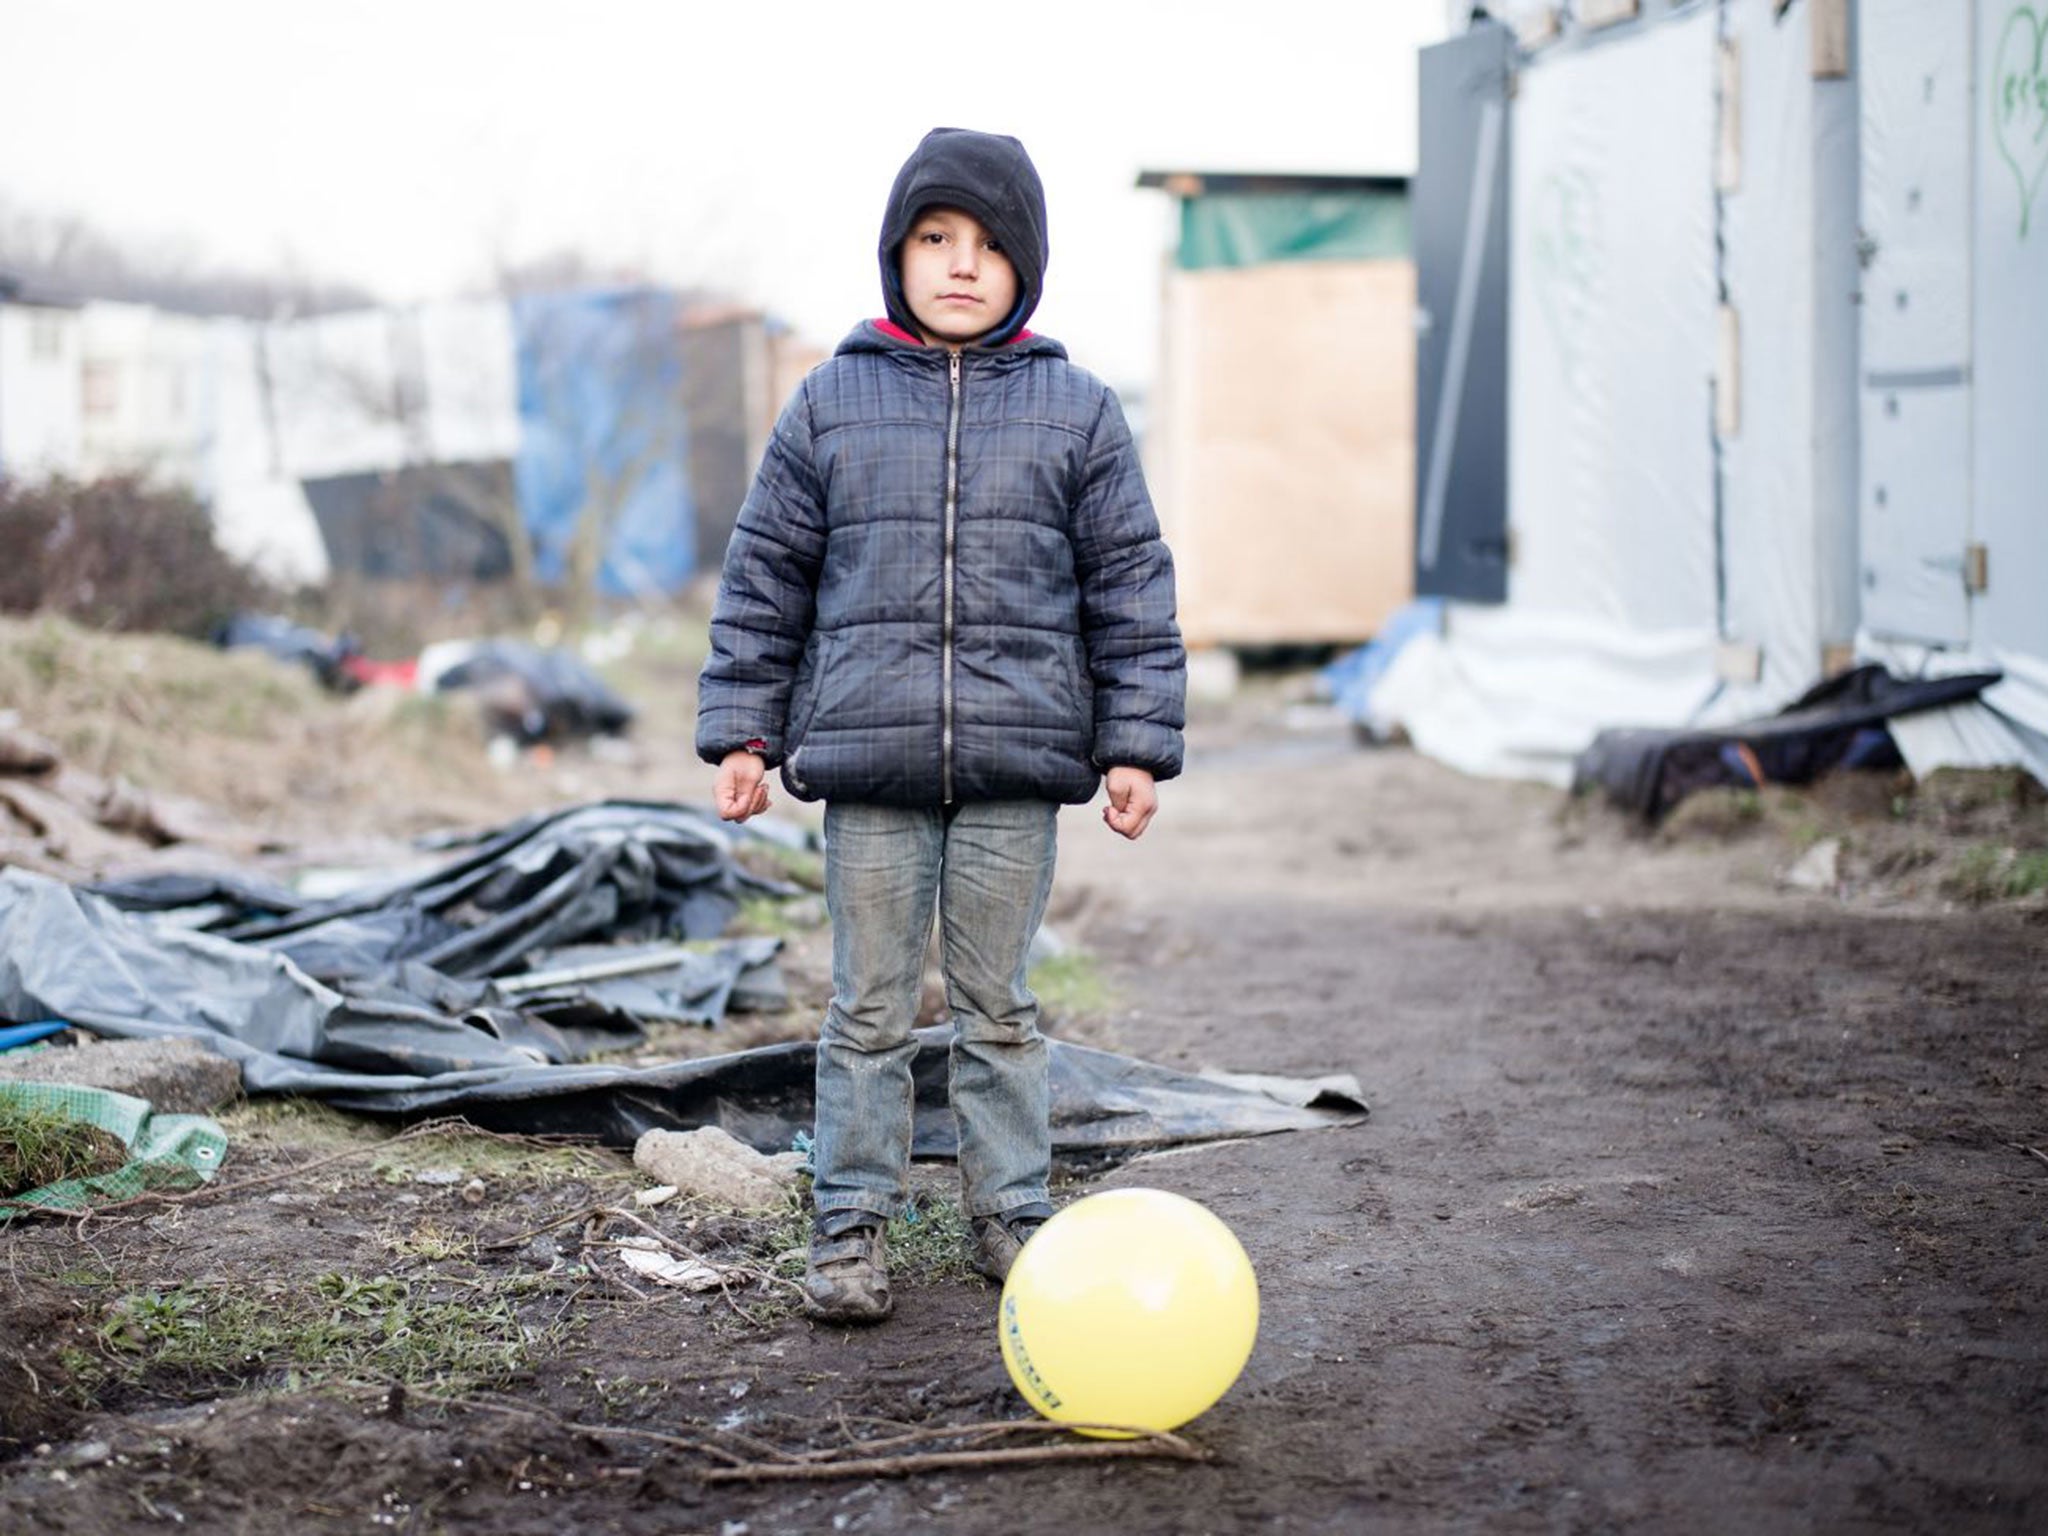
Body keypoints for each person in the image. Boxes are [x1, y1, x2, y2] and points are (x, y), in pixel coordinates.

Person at [696, 126, 1186, 1324]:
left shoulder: (1076, 412)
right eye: (934, 240)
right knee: (867, 1007)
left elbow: (1129, 583)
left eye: (987, 245)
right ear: (896, 256)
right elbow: (766, 577)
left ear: (1026, 265)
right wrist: (743, 733)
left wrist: (1133, 742)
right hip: (868, 768)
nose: (960, 265)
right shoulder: (829, 401)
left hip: (1019, 770)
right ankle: (850, 1224)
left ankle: (1010, 1212)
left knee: (997, 1007)